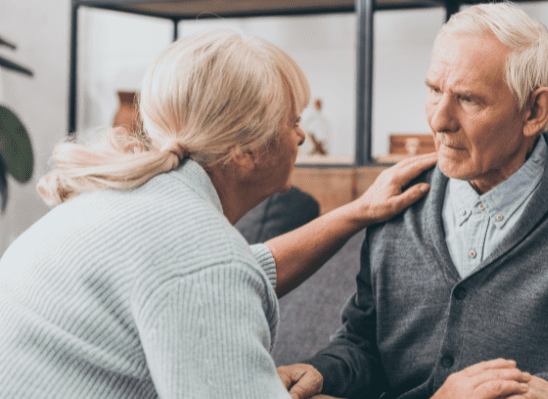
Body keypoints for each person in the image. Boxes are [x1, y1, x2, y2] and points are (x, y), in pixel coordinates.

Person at [0, 29, 437, 398]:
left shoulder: (137, 201)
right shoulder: (202, 258)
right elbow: (213, 273)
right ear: (245, 151)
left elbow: (239, 269)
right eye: (292, 121)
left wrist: (356, 212)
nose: (301, 136)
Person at [279, 2, 548, 399]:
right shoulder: (397, 201)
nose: (439, 120)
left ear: (535, 111)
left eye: (469, 99)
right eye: (434, 90)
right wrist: (322, 371)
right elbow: (363, 344)